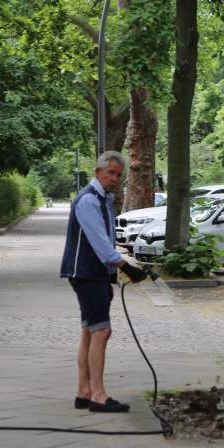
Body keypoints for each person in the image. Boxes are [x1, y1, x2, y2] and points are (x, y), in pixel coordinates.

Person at [60, 151, 148, 413]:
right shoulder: (89, 200)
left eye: (118, 175)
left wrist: (110, 275)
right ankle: (98, 395)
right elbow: (100, 243)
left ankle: (84, 392)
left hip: (92, 274)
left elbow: (106, 240)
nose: (114, 178)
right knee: (101, 331)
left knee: (89, 331)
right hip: (86, 273)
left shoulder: (103, 200)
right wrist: (126, 267)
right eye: (110, 173)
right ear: (98, 172)